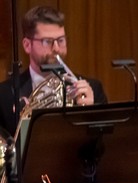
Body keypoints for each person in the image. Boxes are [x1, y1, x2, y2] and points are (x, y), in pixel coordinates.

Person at [0, 5, 107, 136]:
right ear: (27, 45)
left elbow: (102, 150)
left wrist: (90, 114)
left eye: (61, 40)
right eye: (47, 41)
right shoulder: (5, 95)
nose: (56, 48)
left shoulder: (93, 90)